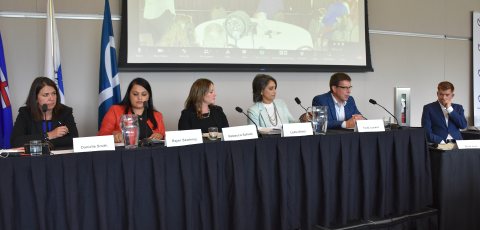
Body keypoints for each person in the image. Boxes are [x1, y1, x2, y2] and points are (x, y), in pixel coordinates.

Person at [10, 77, 79, 148]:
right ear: (36, 98)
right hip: (34, 158)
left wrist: (44, 142)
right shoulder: (25, 113)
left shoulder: (65, 111)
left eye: (53, 93)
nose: (51, 99)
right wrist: (50, 135)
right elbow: (15, 141)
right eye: (45, 95)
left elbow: (74, 140)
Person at [98, 78, 165, 143]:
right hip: (123, 153)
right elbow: (101, 134)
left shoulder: (157, 116)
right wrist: (113, 134)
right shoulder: (115, 110)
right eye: (135, 94)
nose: (139, 97)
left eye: (144, 94)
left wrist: (160, 136)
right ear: (129, 95)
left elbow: (164, 137)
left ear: (148, 97)